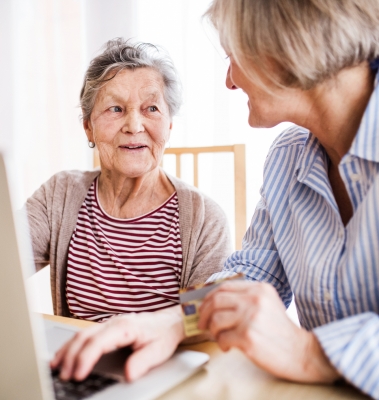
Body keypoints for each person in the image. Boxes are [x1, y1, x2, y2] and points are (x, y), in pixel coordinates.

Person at [51, 1, 379, 398]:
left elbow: (299, 348)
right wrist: (169, 323)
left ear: (285, 46)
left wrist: (311, 354)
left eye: (232, 56)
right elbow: (252, 276)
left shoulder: (199, 212)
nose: (229, 80)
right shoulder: (289, 158)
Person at [25, 38, 231, 322]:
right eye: (116, 109)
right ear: (88, 126)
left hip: (160, 363)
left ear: (169, 125)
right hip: (79, 361)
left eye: (151, 109)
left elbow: (207, 320)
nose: (134, 126)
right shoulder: (59, 194)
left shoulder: (205, 219)